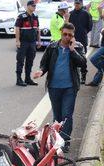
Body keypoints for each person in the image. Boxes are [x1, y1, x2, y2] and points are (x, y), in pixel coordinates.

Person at [33, 22, 87, 152]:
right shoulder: (52, 47)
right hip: (54, 87)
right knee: (57, 117)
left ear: (73, 36)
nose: (67, 37)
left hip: (70, 87)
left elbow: (82, 63)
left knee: (67, 115)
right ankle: (57, 140)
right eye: (65, 34)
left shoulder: (77, 47)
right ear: (61, 33)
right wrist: (41, 71)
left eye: (70, 35)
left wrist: (72, 50)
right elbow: (44, 64)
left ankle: (65, 141)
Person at [15, 0, 41, 87]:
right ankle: (19, 79)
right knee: (20, 61)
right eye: (33, 6)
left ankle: (27, 78)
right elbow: (17, 28)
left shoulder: (35, 16)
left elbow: (37, 29)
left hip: (32, 42)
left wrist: (39, 40)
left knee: (30, 61)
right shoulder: (22, 16)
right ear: (28, 6)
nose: (34, 7)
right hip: (23, 42)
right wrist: (17, 41)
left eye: (35, 6)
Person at [69, 0, 92, 84]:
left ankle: (83, 75)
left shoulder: (86, 14)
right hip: (72, 40)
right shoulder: (71, 13)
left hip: (82, 39)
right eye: (76, 3)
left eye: (78, 4)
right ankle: (72, 76)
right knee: (71, 58)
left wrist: (83, 32)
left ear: (82, 4)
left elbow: (89, 26)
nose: (77, 5)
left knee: (82, 59)